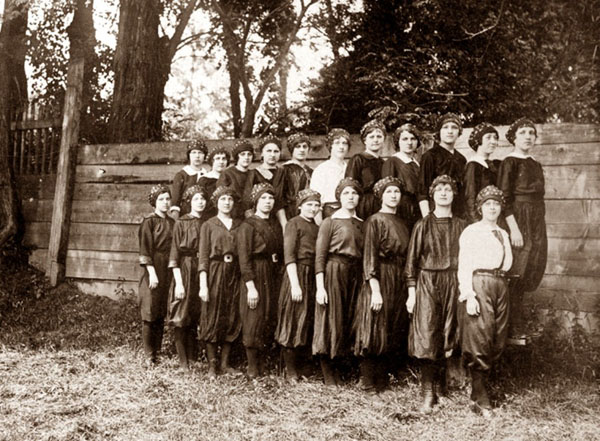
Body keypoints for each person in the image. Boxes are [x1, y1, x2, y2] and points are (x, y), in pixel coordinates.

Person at [405, 175, 467, 413]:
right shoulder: (423, 224)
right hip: (428, 281)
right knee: (428, 334)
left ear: (454, 195)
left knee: (448, 332)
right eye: (439, 189)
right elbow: (411, 262)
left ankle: (442, 387)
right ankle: (428, 392)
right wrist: (412, 294)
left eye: (448, 189)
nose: (444, 193)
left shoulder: (462, 225)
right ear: (432, 195)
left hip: (454, 280)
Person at [458, 185, 513, 417]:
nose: (492, 208)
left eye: (496, 204)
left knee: (498, 339)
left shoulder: (503, 232)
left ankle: (479, 390)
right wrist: (469, 294)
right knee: (480, 338)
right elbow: (464, 265)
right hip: (479, 282)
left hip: (500, 284)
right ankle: (481, 398)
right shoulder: (472, 231)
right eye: (488, 204)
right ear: (480, 208)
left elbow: (507, 262)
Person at [353, 177, 410, 393]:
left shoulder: (403, 222)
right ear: (381, 196)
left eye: (397, 192)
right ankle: (367, 382)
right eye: (389, 192)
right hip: (379, 276)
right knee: (374, 326)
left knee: (391, 326)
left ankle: (382, 380)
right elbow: (369, 256)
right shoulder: (375, 221)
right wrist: (375, 289)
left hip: (398, 277)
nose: (394, 195)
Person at [497, 118, 547, 338]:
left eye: (531, 133)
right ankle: (509, 327)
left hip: (536, 219)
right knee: (517, 268)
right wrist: (514, 229)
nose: (528, 136)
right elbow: (504, 199)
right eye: (523, 133)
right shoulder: (510, 162)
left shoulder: (535, 163)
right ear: (514, 138)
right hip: (518, 218)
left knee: (533, 265)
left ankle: (518, 323)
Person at [313, 177, 363, 386]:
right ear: (339, 197)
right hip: (334, 271)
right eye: (346, 194)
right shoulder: (330, 221)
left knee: (349, 319)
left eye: (354, 193)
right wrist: (320, 287)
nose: (350, 197)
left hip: (355, 274)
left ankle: (343, 368)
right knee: (331, 318)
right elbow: (320, 256)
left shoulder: (362, 223)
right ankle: (328, 373)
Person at [237, 183, 284, 378]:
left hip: (271, 274)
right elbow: (244, 258)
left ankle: (263, 364)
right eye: (264, 198)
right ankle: (252, 367)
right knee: (253, 317)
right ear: (256, 201)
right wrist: (251, 287)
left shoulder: (274, 224)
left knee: (267, 316)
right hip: (255, 274)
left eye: (271, 199)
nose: (268, 202)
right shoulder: (248, 225)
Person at [275, 188, 321, 381]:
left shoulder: (317, 227)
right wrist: (295, 284)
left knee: (308, 318)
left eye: (316, 205)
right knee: (293, 319)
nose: (313, 208)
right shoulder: (294, 224)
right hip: (297, 274)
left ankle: (304, 367)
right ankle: (290, 370)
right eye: (309, 205)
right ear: (300, 206)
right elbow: (290, 255)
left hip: (312, 275)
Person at [198, 186, 243, 378]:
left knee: (231, 315)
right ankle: (212, 365)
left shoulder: (240, 224)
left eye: (230, 199)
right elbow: (203, 258)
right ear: (216, 202)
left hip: (235, 273)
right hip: (215, 272)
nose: (227, 202)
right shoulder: (208, 225)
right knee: (212, 315)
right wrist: (203, 284)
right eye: (223, 199)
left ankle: (225, 363)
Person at [167, 185, 207, 370]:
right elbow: (175, 254)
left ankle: (193, 357)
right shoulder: (181, 222)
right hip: (185, 268)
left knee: (196, 312)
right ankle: (183, 361)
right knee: (182, 314)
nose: (200, 202)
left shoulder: (208, 222)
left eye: (203, 199)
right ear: (189, 202)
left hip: (203, 269)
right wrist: (179, 283)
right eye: (196, 199)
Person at [138, 185, 174, 364]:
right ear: (154, 202)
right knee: (150, 309)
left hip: (168, 267)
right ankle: (148, 354)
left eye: (167, 199)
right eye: (161, 199)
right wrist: (152, 273)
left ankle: (157, 351)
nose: (165, 203)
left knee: (160, 310)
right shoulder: (148, 221)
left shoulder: (172, 222)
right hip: (153, 266)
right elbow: (145, 249)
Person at [418, 113, 467, 218]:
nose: (450, 131)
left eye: (454, 128)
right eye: (445, 127)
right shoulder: (430, 156)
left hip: (457, 214)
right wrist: (427, 219)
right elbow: (422, 190)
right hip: (436, 213)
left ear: (459, 132)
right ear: (439, 132)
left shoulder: (461, 159)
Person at [382, 123, 422, 231]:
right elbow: (387, 190)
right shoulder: (392, 162)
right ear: (398, 142)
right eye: (404, 139)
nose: (409, 142)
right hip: (401, 211)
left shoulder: (417, 164)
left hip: (417, 209)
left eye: (413, 139)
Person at [345, 120, 385, 220]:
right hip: (363, 206)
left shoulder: (383, 163)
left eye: (379, 137)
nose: (375, 140)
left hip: (381, 206)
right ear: (365, 140)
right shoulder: (358, 159)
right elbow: (350, 186)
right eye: (371, 137)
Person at [463, 123, 501, 223]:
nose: (493, 141)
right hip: (480, 221)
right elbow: (470, 199)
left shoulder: (495, 165)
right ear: (478, 140)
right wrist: (478, 224)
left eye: (495, 138)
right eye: (488, 138)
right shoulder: (473, 165)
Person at [310, 128, 350, 221]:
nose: (341, 147)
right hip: (329, 213)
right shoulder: (322, 169)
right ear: (330, 146)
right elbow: (316, 200)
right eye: (337, 143)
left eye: (344, 143)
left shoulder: (350, 168)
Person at [243, 135, 284, 219]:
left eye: (276, 151)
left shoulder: (283, 172)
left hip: (281, 217)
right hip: (259, 217)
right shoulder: (253, 173)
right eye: (269, 151)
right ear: (262, 153)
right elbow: (247, 201)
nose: (272, 155)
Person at [278, 133, 314, 226]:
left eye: (305, 146)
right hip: (291, 214)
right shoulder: (284, 170)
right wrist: (284, 223)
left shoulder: (311, 171)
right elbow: (279, 198)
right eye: (298, 147)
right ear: (291, 149)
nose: (302, 150)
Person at [170, 139, 208, 219]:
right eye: (194, 152)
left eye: (200, 153)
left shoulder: (207, 176)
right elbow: (176, 201)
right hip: (185, 216)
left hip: (204, 216)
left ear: (204, 156)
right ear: (189, 155)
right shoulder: (181, 175)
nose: (197, 156)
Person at [216, 139, 254, 220]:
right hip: (233, 215)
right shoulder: (227, 174)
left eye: (249, 154)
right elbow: (221, 197)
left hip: (251, 216)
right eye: (243, 154)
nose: (246, 157)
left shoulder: (254, 174)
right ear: (237, 156)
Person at [198, 146, 230, 218]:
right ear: (212, 161)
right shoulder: (204, 180)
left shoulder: (230, 179)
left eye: (224, 159)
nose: (221, 162)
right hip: (209, 216)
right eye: (218, 159)